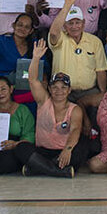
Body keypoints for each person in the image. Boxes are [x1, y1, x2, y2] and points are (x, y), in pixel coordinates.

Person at [17, 39, 88, 178]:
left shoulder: (75, 109)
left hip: (63, 151)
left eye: (63, 88)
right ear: (49, 88)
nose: (59, 91)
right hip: (43, 151)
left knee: (83, 144)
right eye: (55, 87)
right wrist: (36, 57)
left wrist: (67, 150)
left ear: (69, 90)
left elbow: (75, 130)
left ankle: (38, 167)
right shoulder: (44, 101)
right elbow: (32, 80)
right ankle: (57, 171)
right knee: (21, 148)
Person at [48, 0, 107, 106]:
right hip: (64, 93)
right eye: (70, 23)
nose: (74, 26)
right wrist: (67, 5)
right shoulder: (60, 38)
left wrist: (103, 93)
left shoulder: (95, 41)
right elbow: (54, 32)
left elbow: (100, 70)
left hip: (90, 92)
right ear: (65, 26)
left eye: (78, 22)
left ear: (83, 24)